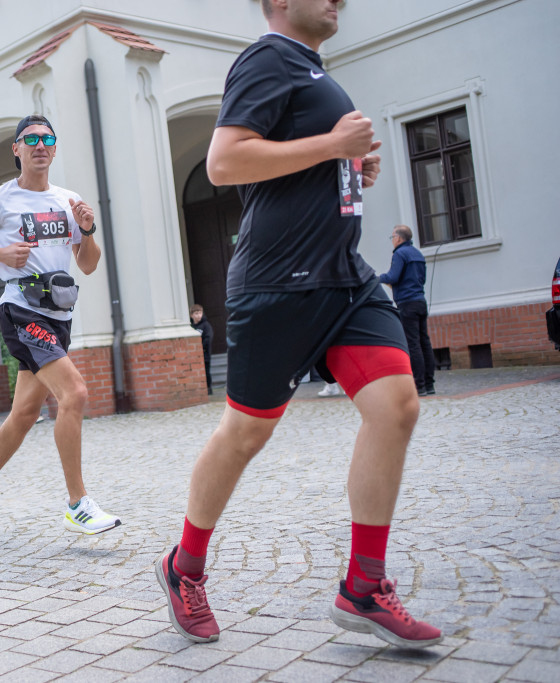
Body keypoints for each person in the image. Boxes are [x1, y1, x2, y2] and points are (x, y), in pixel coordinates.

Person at [156, 0, 441, 649]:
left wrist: (348, 166)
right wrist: (333, 145)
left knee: (396, 406)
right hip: (276, 284)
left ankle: (363, 584)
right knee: (243, 434)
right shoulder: (268, 58)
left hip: (344, 278)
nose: (340, 1)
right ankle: (184, 566)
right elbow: (225, 162)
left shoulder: (316, 72)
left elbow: (298, 161)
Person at [0, 114, 121, 536]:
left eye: (47, 139)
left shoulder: (68, 200)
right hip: (20, 309)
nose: (40, 145)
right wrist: (0, 255)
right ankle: (77, 503)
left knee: (25, 414)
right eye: (31, 140)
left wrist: (88, 230)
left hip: (59, 312)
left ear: (55, 149)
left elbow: (89, 264)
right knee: (75, 393)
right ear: (17, 149)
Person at [379, 225, 436, 396]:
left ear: (398, 238)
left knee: (413, 344)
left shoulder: (399, 254)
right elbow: (421, 279)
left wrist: (376, 279)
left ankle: (419, 386)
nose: (392, 240)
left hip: (407, 303)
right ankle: (429, 383)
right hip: (420, 301)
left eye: (392, 237)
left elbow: (393, 277)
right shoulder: (417, 253)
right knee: (425, 342)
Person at [190, 305, 214, 396]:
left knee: (206, 371)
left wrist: (201, 347)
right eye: (196, 313)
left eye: (200, 313)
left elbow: (208, 338)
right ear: (192, 315)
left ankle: (208, 388)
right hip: (194, 354)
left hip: (205, 353)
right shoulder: (191, 327)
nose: (198, 315)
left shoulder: (206, 325)